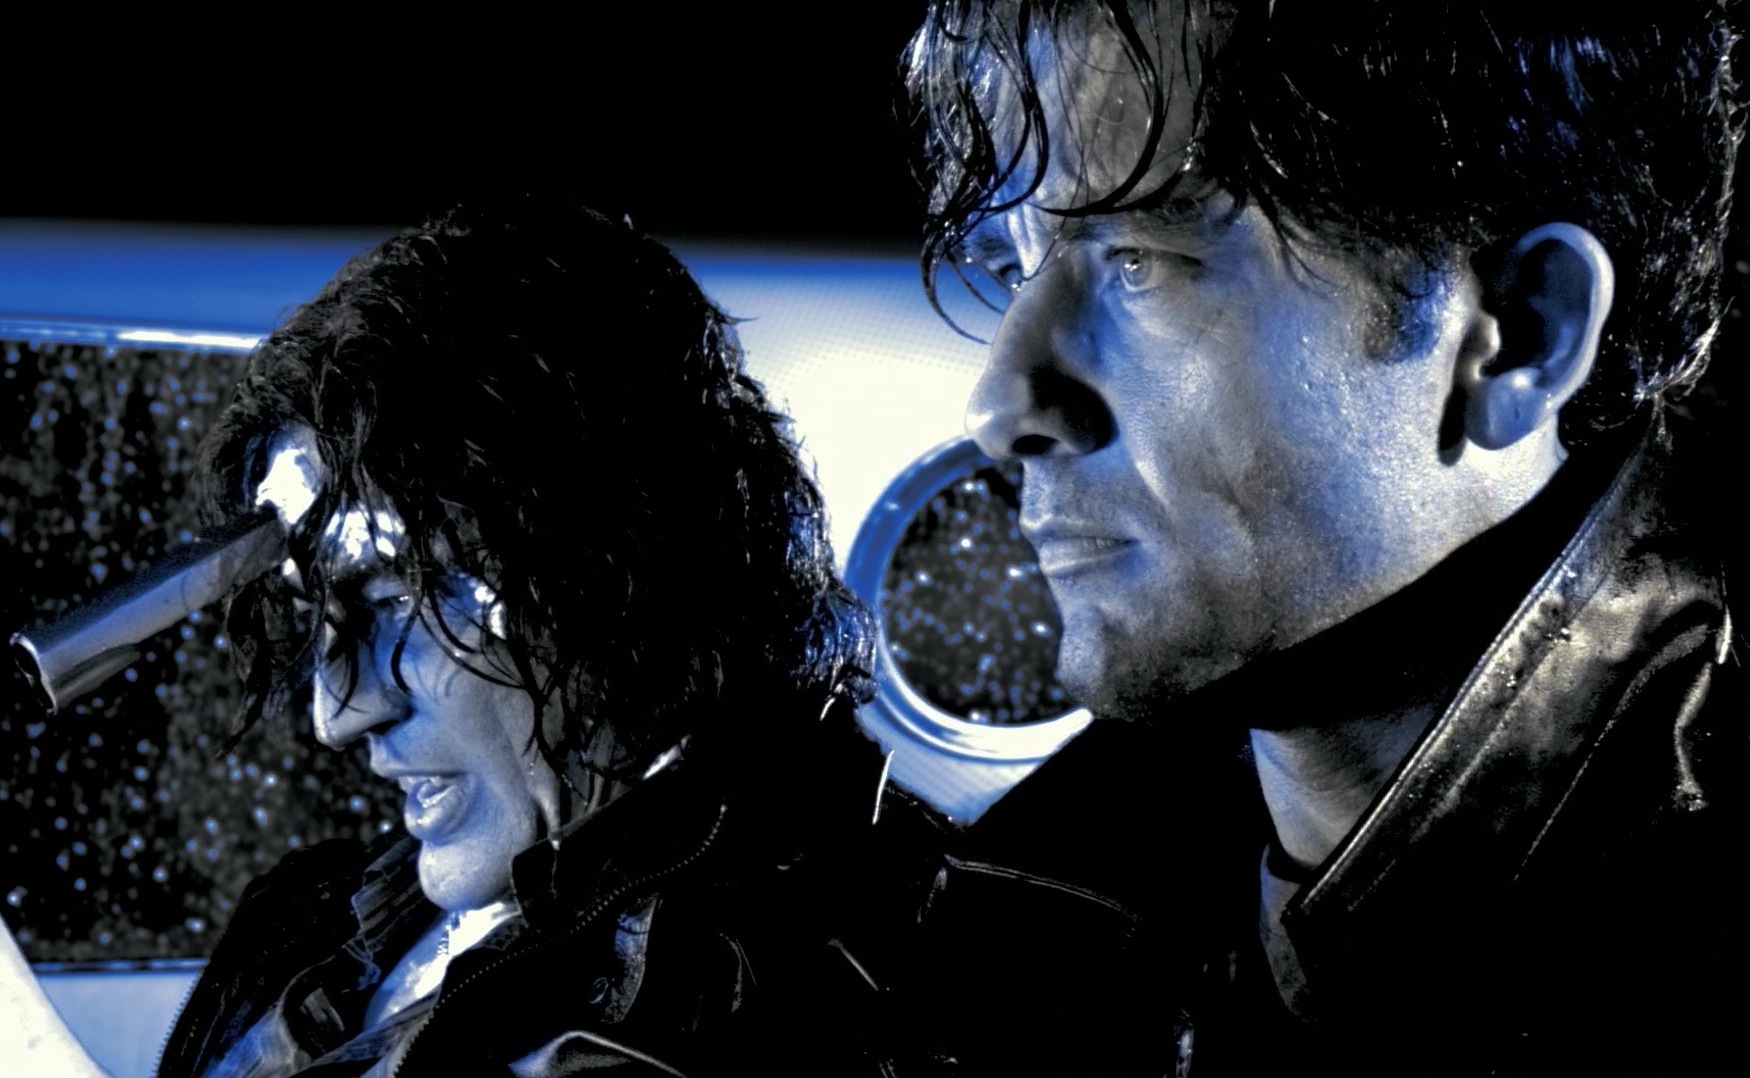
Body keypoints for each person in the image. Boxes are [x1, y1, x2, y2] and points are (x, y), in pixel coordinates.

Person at [890, 3, 1747, 1075]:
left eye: (1142, 260)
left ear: (1523, 333)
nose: (1000, 401)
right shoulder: (1010, 932)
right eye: (1012, 265)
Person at [6, 197, 916, 1076]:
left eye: (395, 596)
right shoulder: (311, 914)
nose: (337, 713)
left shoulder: (776, 981)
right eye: (312, 606)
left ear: (614, 566)